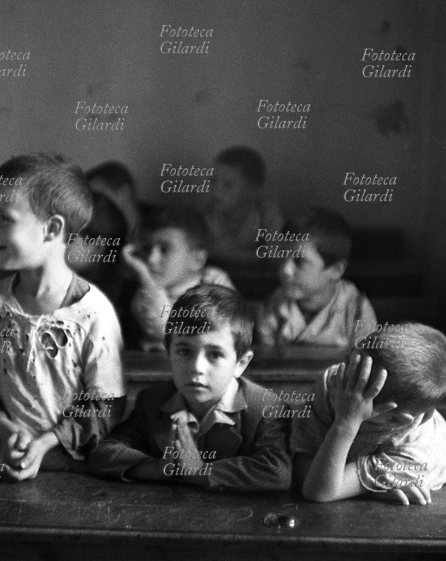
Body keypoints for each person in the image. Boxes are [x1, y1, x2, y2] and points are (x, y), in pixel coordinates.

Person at [0, 153, 126, 481]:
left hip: (75, 474)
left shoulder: (94, 313)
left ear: (52, 228)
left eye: (5, 218)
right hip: (5, 466)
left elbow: (104, 404)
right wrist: (8, 434)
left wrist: (45, 443)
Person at [88, 284, 292, 492]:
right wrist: (158, 468)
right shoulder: (153, 402)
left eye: (214, 354)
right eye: (184, 351)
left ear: (240, 363)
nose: (197, 368)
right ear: (169, 353)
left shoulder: (265, 407)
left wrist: (200, 472)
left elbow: (278, 472)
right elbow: (104, 452)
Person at [292, 323, 446, 505]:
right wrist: (368, 486)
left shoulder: (416, 453)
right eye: (350, 361)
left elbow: (317, 491)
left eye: (360, 388)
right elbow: (301, 465)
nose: (341, 385)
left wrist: (345, 423)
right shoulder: (336, 381)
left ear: (395, 418)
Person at [256, 207, 376, 349]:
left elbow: (363, 362)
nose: (285, 270)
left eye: (300, 261)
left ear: (336, 270)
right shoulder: (271, 308)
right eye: (282, 256)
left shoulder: (357, 311)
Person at [123, 205, 234, 351]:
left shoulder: (214, 282)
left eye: (164, 249)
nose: (151, 259)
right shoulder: (145, 295)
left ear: (197, 260)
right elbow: (168, 332)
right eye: (147, 249)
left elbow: (229, 331)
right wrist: (142, 273)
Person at [206, 146, 283, 262]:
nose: (216, 190)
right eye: (213, 182)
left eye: (227, 185)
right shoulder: (209, 213)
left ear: (252, 190)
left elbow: (277, 252)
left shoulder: (265, 213)